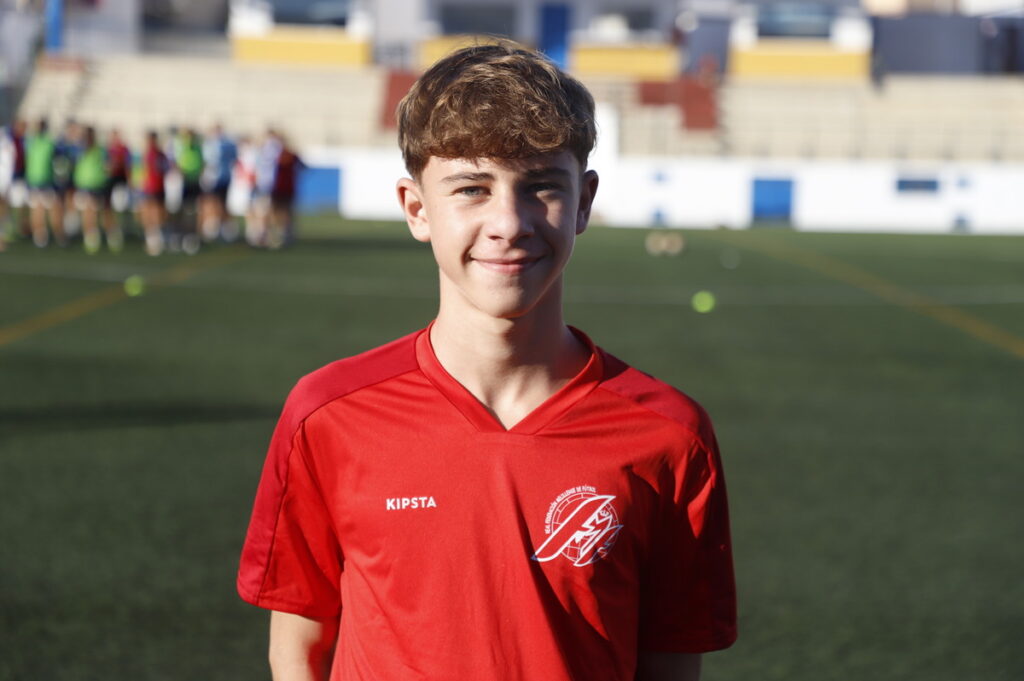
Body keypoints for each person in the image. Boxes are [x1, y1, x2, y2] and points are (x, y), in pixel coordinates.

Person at [237, 43, 737, 681]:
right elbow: (298, 649)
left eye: (541, 187)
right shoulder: (327, 414)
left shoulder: (669, 435)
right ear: (417, 208)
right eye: (472, 189)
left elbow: (670, 664)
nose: (509, 222)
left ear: (584, 202)